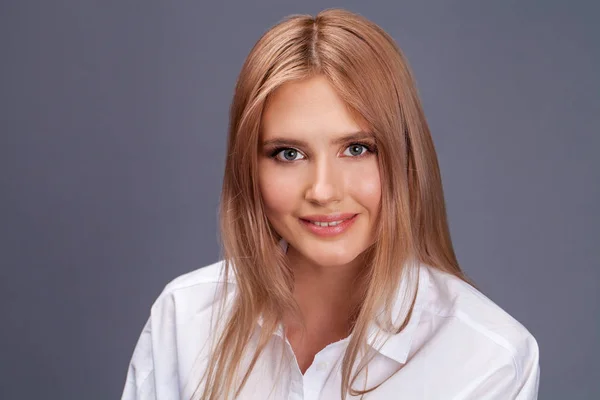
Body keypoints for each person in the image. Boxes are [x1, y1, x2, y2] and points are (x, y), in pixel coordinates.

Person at [121, 8, 540, 400]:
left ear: (406, 157)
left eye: (357, 148)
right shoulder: (185, 318)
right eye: (289, 153)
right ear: (248, 167)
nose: (322, 190)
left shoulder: (488, 357)